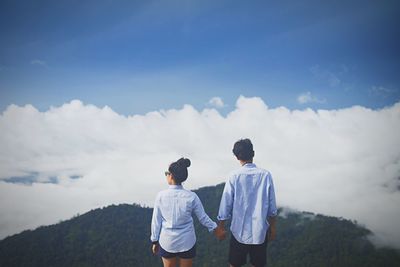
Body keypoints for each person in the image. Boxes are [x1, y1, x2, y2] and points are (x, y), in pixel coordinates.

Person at [216, 138, 278, 267]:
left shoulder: (234, 176)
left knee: (234, 264)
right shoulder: (266, 175)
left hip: (239, 231)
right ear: (253, 153)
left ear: (237, 157)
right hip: (260, 231)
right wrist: (272, 227)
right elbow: (272, 207)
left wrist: (221, 227)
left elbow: (225, 204)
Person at [150, 158, 222, 267]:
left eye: (166, 173)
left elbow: (156, 221)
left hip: (167, 241)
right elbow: (203, 218)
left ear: (171, 176)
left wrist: (154, 241)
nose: (166, 175)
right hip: (187, 241)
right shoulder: (191, 196)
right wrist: (215, 228)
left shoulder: (161, 196)